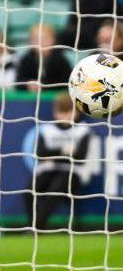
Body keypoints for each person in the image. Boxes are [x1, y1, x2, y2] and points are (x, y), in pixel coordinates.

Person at [26, 93, 96, 231]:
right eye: (61, 112)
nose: (65, 117)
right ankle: (34, 224)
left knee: (56, 188)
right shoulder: (47, 130)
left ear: (76, 112)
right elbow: (40, 154)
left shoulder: (83, 130)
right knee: (29, 191)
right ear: (55, 112)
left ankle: (38, 227)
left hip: (74, 172)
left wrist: (53, 154)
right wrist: (64, 152)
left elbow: (80, 158)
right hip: (49, 169)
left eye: (68, 112)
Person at [15, 24, 72, 92]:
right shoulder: (26, 59)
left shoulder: (61, 60)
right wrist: (28, 84)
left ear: (53, 40)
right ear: (30, 41)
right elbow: (18, 82)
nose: (40, 42)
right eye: (35, 38)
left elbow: (66, 84)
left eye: (45, 38)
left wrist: (43, 86)